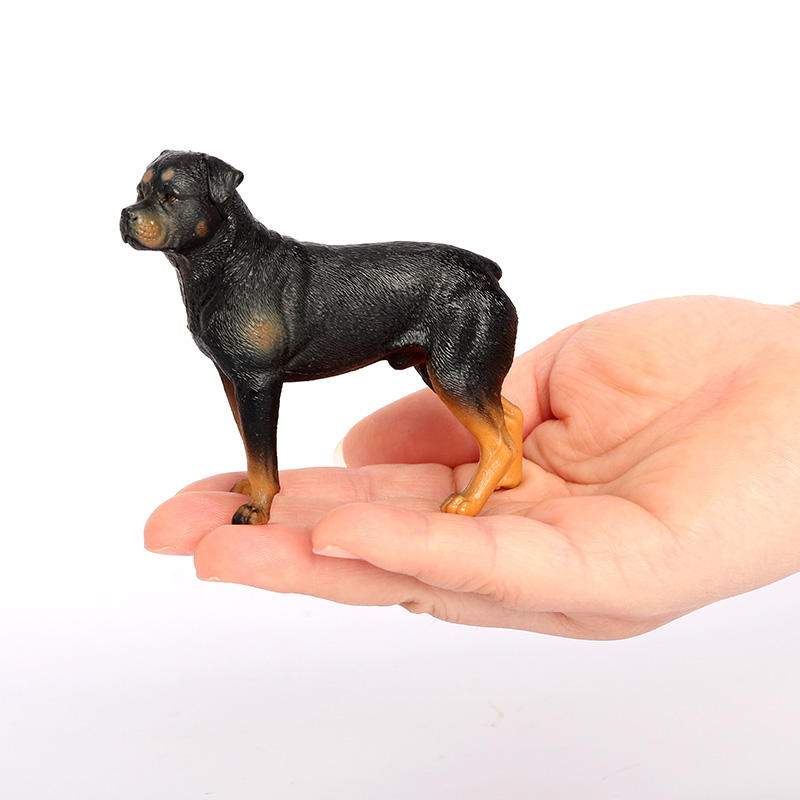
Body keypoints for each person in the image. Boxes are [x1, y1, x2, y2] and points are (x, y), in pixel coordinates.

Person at [144, 296, 800, 639]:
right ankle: (500, 455)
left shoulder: (251, 296)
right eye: (149, 197)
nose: (142, 212)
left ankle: (491, 467)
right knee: (463, 399)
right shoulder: (227, 296)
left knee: (464, 393)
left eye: (168, 199)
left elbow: (256, 383)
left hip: (455, 296)